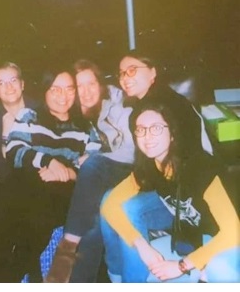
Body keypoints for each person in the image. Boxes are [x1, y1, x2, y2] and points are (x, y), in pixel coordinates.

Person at [100, 101, 240, 283]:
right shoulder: (150, 164)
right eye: (140, 129)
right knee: (121, 207)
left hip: (225, 237)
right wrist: (141, 246)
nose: (147, 136)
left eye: (156, 128)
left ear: (172, 133)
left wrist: (183, 265)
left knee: (219, 270)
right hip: (194, 234)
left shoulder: (201, 168)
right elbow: (109, 204)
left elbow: (233, 232)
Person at [0, 69, 101, 282]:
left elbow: (95, 162)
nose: (63, 95)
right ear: (44, 91)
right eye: (55, 89)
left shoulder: (85, 127)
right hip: (28, 182)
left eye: (69, 89)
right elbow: (14, 149)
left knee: (41, 212)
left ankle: (16, 274)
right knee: (5, 201)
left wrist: (69, 172)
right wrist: (48, 161)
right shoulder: (29, 116)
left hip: (63, 189)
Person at [45, 59, 135, 283]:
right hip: (103, 178)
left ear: (101, 84)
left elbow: (132, 150)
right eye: (79, 86)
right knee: (94, 220)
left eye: (91, 84)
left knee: (93, 164)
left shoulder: (118, 105)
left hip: (129, 167)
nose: (86, 92)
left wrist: (96, 158)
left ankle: (66, 250)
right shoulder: (76, 118)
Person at [0, 62, 38, 282]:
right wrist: (6, 134)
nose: (9, 86)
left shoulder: (41, 110)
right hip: (15, 185)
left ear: (22, 84)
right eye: (1, 83)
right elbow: (5, 170)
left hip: (46, 179)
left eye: (13, 80)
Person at [118, 49, 213, 157]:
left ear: (153, 72)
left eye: (132, 70)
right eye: (122, 73)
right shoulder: (164, 95)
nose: (124, 78)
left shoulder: (156, 108)